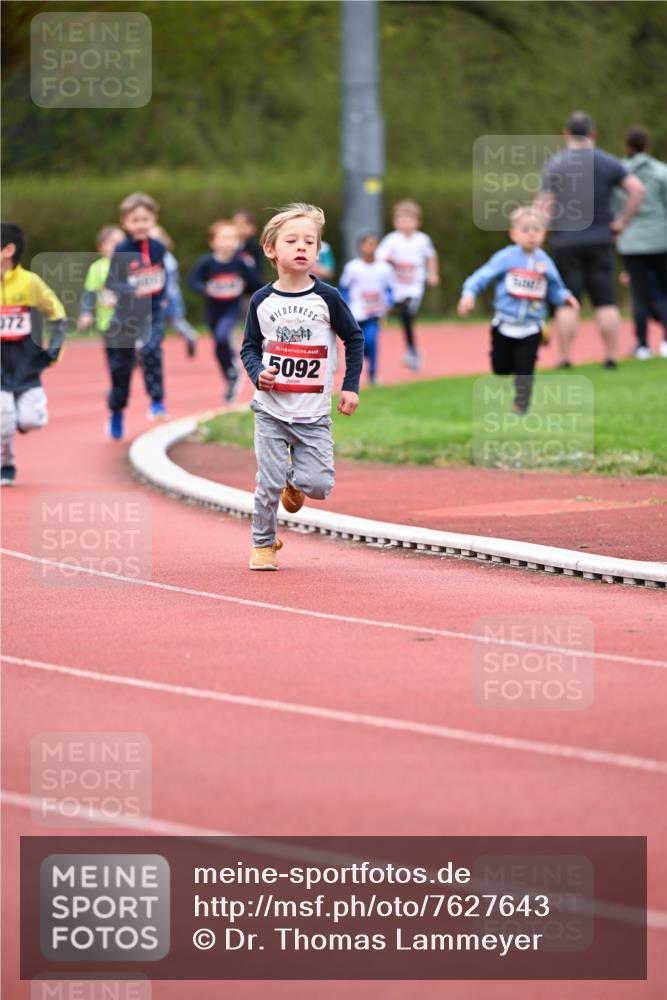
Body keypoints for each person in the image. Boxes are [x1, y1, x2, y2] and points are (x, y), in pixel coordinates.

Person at [240, 202, 363, 571]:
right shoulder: (262, 301)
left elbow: (353, 339)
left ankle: (295, 481)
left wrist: (350, 386)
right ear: (270, 249)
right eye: (292, 240)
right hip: (272, 410)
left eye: (310, 242)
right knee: (269, 482)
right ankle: (263, 544)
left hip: (313, 414)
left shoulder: (327, 298)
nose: (302, 247)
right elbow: (248, 347)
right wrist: (257, 371)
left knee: (320, 485)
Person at [536, 111, 644, 369]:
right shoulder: (608, 162)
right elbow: (637, 189)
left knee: (567, 302)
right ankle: (610, 356)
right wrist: (621, 222)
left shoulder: (556, 164)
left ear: (566, 133)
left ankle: (564, 358)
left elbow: (544, 205)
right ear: (593, 133)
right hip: (600, 239)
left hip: (565, 241)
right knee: (605, 301)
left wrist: (538, 237)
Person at [457, 206, 579, 413]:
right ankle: (506, 361)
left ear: (544, 233)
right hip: (505, 323)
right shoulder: (506, 258)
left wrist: (566, 297)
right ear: (513, 234)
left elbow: (555, 289)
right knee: (501, 368)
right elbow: (481, 276)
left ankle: (521, 404)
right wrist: (469, 294)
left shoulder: (545, 262)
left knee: (525, 369)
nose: (531, 234)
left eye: (536, 229)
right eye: (525, 230)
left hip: (532, 326)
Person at [1, 222, 66, 485]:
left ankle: (21, 420)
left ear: (8, 250)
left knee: (30, 421)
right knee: (3, 421)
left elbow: (57, 314)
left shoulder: (30, 283)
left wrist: (54, 350)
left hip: (27, 364)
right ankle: (6, 464)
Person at [105, 192, 169, 439]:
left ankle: (157, 403)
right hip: (125, 318)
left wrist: (160, 295)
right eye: (135, 220)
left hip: (152, 314)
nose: (140, 224)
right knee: (121, 368)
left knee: (152, 350)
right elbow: (112, 283)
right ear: (125, 223)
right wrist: (132, 289)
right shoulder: (121, 249)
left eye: (145, 218)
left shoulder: (158, 247)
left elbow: (163, 276)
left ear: (154, 219)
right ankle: (117, 412)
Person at [188, 219, 261, 402]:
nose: (230, 242)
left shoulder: (241, 262)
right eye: (225, 237)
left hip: (231, 309)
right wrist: (205, 288)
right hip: (213, 310)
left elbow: (256, 284)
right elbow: (192, 281)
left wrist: (245, 284)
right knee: (218, 346)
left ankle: (232, 370)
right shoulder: (206, 262)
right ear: (214, 242)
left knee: (222, 336)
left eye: (233, 238)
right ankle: (230, 375)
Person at [614, 126, 667, 359]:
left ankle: (642, 345)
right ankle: (666, 344)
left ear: (627, 147)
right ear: (648, 146)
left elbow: (615, 206)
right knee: (665, 293)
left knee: (640, 294)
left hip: (631, 241)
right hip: (660, 239)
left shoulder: (619, 173)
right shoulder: (661, 171)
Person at [376, 199, 439, 371]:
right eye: (400, 219)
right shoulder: (391, 240)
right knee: (401, 317)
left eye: (408, 219)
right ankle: (412, 351)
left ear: (418, 221)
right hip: (395, 286)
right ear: (395, 221)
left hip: (414, 286)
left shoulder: (422, 240)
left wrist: (433, 273)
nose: (404, 223)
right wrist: (386, 259)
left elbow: (431, 256)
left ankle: (411, 352)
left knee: (406, 313)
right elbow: (380, 256)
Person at [339, 232, 394, 384]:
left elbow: (390, 289)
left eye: (374, 243)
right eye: (368, 243)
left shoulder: (384, 268)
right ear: (361, 246)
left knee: (371, 340)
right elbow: (344, 288)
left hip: (375, 313)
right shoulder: (352, 267)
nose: (371, 247)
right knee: (359, 344)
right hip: (356, 312)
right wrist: (345, 307)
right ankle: (356, 373)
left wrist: (389, 303)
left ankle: (373, 373)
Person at [150, 225, 198, 358]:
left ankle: (190, 337)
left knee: (175, 321)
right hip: (158, 296)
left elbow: (169, 281)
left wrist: (165, 297)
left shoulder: (166, 258)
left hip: (169, 296)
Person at [78, 225, 124, 338]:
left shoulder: (131, 263)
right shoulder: (97, 267)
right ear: (101, 246)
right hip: (107, 321)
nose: (119, 245)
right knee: (114, 353)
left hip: (130, 320)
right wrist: (85, 312)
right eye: (114, 242)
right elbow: (89, 292)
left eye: (122, 241)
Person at [232, 210, 263, 275]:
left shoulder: (255, 246)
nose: (240, 227)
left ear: (253, 228)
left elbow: (259, 269)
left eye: (244, 224)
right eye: (236, 224)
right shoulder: (226, 245)